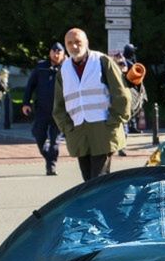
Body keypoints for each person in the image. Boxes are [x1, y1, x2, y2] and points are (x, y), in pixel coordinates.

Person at [53, 28, 128, 181]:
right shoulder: (64, 69)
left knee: (98, 179)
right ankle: (97, 205)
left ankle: (101, 205)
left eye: (78, 42)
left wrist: (113, 121)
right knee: (87, 180)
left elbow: (122, 95)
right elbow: (59, 105)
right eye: (70, 43)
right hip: (78, 131)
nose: (74, 46)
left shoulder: (102, 61)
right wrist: (67, 128)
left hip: (103, 129)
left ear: (86, 43)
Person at [24, 43, 64, 174]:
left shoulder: (67, 68)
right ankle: (47, 155)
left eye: (59, 52)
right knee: (39, 135)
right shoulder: (41, 67)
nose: (56, 54)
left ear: (63, 54)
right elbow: (30, 86)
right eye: (54, 51)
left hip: (59, 110)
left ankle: (51, 165)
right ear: (50, 53)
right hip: (42, 109)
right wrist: (26, 103)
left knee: (55, 140)